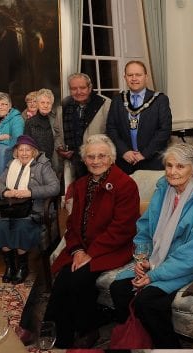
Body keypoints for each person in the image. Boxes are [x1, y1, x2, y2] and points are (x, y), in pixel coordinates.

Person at [110, 143, 193, 348]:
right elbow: (144, 228)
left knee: (148, 301)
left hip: (189, 266)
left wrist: (153, 274)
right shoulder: (163, 189)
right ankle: (140, 341)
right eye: (169, 166)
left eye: (180, 166)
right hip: (155, 260)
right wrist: (142, 259)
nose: (172, 172)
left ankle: (169, 347)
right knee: (119, 288)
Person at [46, 134, 139, 348]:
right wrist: (77, 249)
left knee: (77, 278)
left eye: (101, 156)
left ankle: (87, 329)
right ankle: (60, 336)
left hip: (114, 248)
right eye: (90, 157)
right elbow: (73, 225)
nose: (96, 161)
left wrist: (91, 253)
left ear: (112, 158)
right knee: (63, 279)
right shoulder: (80, 185)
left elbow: (123, 228)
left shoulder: (125, 185)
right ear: (84, 160)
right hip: (84, 247)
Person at [0, 135, 58, 284]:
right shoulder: (12, 164)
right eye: (21, 150)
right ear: (16, 152)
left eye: (28, 150)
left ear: (33, 151)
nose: (24, 153)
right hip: (11, 209)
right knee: (3, 226)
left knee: (21, 226)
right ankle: (10, 267)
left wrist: (30, 192)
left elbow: (55, 187)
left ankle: (23, 267)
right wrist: (6, 192)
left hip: (34, 209)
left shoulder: (42, 165)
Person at [107, 61, 172, 173]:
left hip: (153, 161)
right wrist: (124, 151)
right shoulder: (117, 100)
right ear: (125, 77)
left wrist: (145, 154)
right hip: (125, 162)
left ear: (146, 77)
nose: (134, 78)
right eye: (130, 75)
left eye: (138, 75)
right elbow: (111, 128)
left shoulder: (160, 100)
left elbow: (164, 130)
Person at [54, 73, 112, 179]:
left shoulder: (105, 104)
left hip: (98, 163)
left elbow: (113, 134)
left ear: (90, 87)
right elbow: (57, 132)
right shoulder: (64, 105)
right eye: (74, 88)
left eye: (82, 88)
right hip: (73, 164)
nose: (78, 92)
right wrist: (59, 147)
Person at [24, 89, 57, 171]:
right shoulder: (29, 122)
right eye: (42, 102)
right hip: (36, 164)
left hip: (54, 163)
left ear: (51, 105)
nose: (45, 105)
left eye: (48, 103)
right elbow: (27, 145)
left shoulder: (56, 120)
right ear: (38, 104)